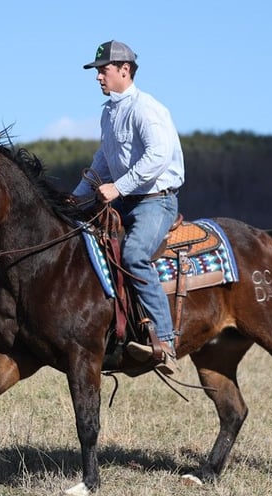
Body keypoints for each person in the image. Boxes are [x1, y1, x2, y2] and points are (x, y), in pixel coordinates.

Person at [72, 40, 185, 376]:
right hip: (125, 199)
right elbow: (103, 161)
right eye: (97, 72)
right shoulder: (108, 113)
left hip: (156, 200)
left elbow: (157, 157)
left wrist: (117, 188)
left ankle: (164, 343)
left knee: (134, 254)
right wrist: (76, 199)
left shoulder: (146, 108)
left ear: (125, 70)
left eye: (103, 70)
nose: (98, 78)